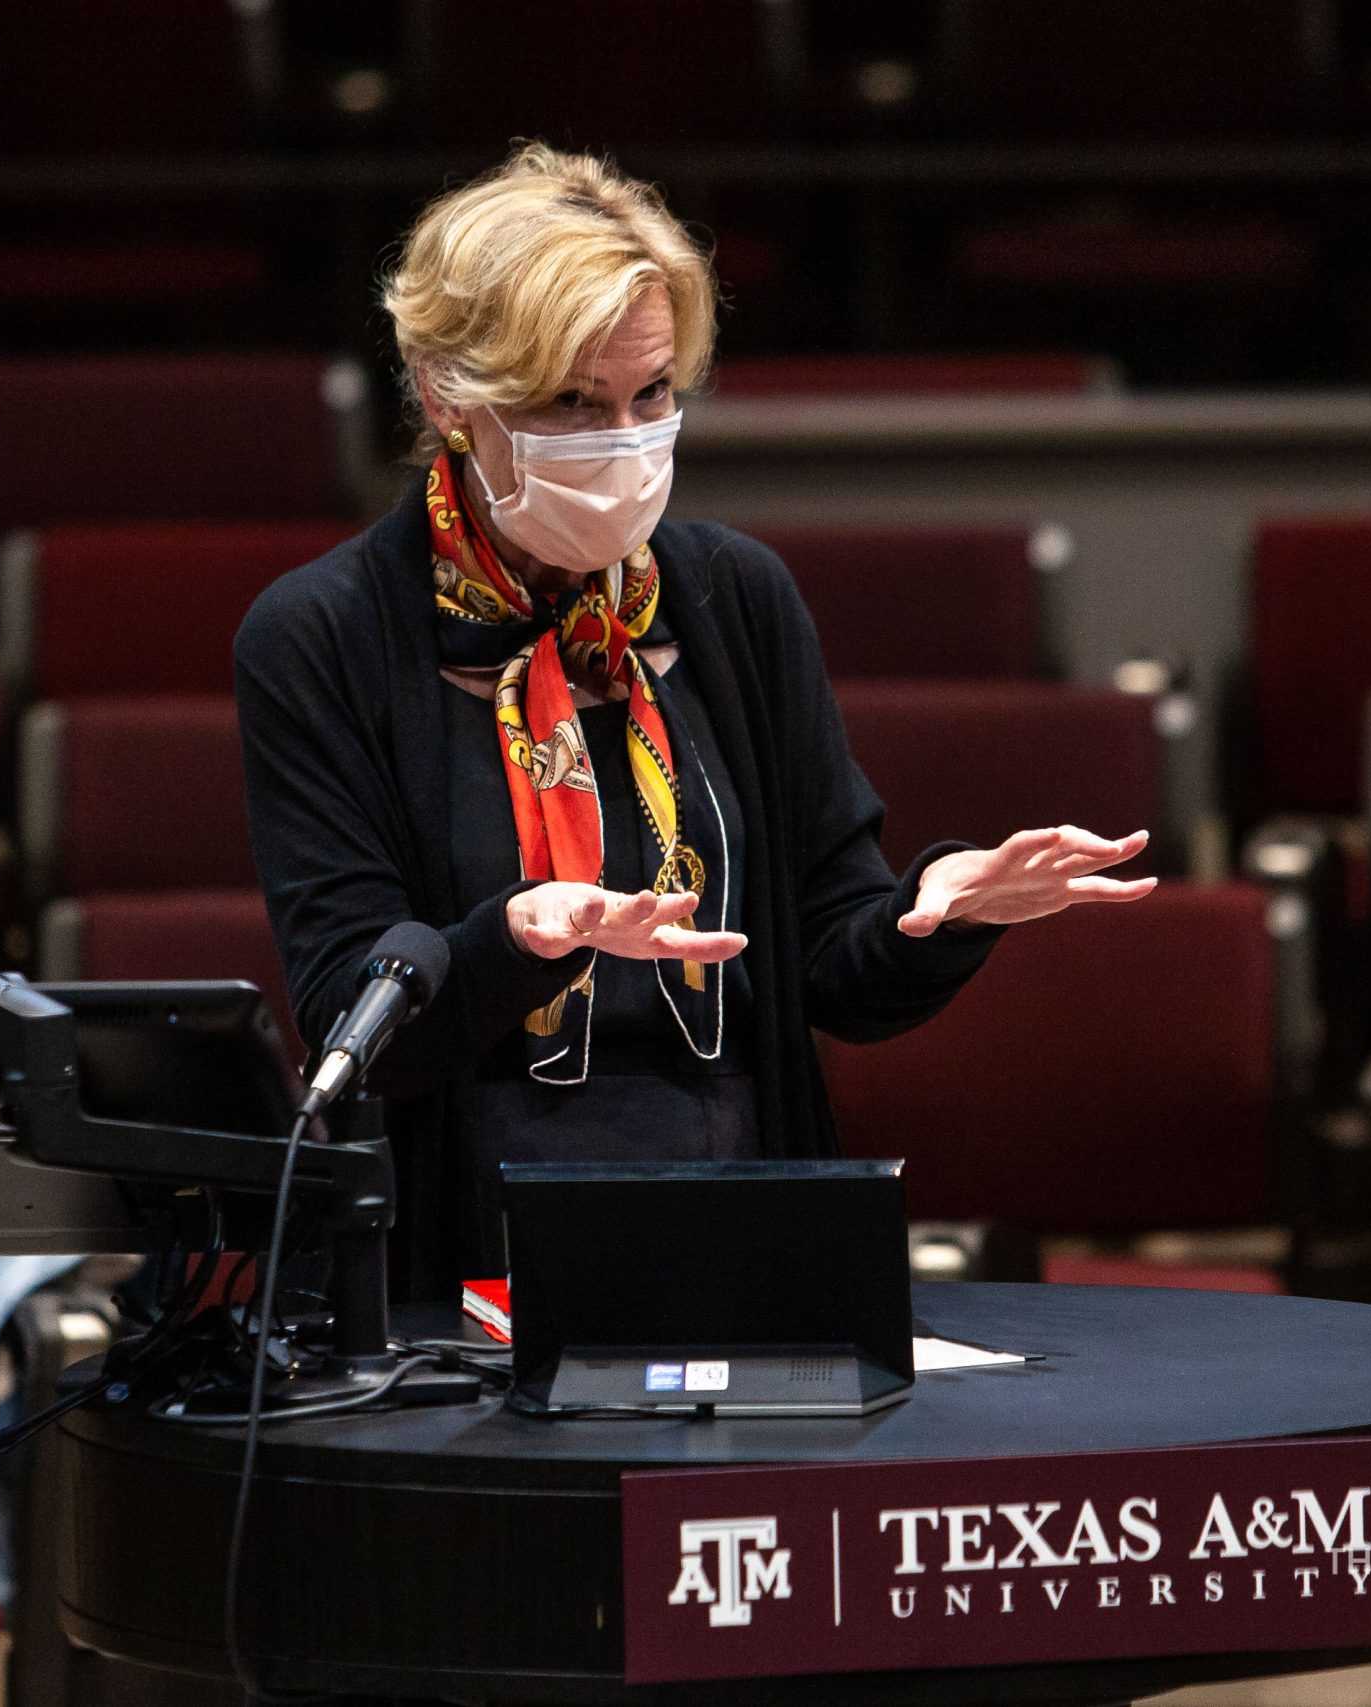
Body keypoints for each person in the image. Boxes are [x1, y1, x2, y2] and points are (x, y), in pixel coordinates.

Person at [234, 144, 1155, 1297]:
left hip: (741, 1216)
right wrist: (517, 937)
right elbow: (354, 1026)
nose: (622, 439)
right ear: (444, 395)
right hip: (462, 1242)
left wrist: (938, 916)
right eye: (571, 402)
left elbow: (834, 972)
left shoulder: (732, 597)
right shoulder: (322, 636)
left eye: (650, 395)